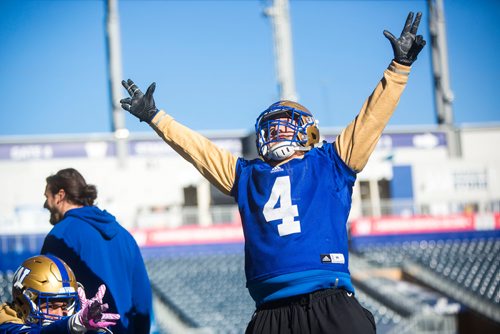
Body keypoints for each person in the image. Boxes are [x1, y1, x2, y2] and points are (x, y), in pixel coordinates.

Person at [120, 12, 425, 334]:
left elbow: (370, 120)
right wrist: (155, 117)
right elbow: (199, 151)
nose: (278, 130)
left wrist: (398, 69)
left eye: (286, 123)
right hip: (271, 311)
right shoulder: (246, 175)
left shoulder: (332, 163)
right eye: (273, 125)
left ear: (310, 133)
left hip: (328, 301)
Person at [40, 168, 152, 334]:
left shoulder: (59, 237)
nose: (45, 204)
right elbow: (142, 301)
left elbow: (48, 303)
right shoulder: (124, 234)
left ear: (60, 195)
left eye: (47, 197)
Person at [0, 255, 119, 334]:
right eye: (51, 306)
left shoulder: (70, 317)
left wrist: (94, 330)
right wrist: (72, 324)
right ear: (23, 302)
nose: (62, 313)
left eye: (65, 305)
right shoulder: (7, 326)